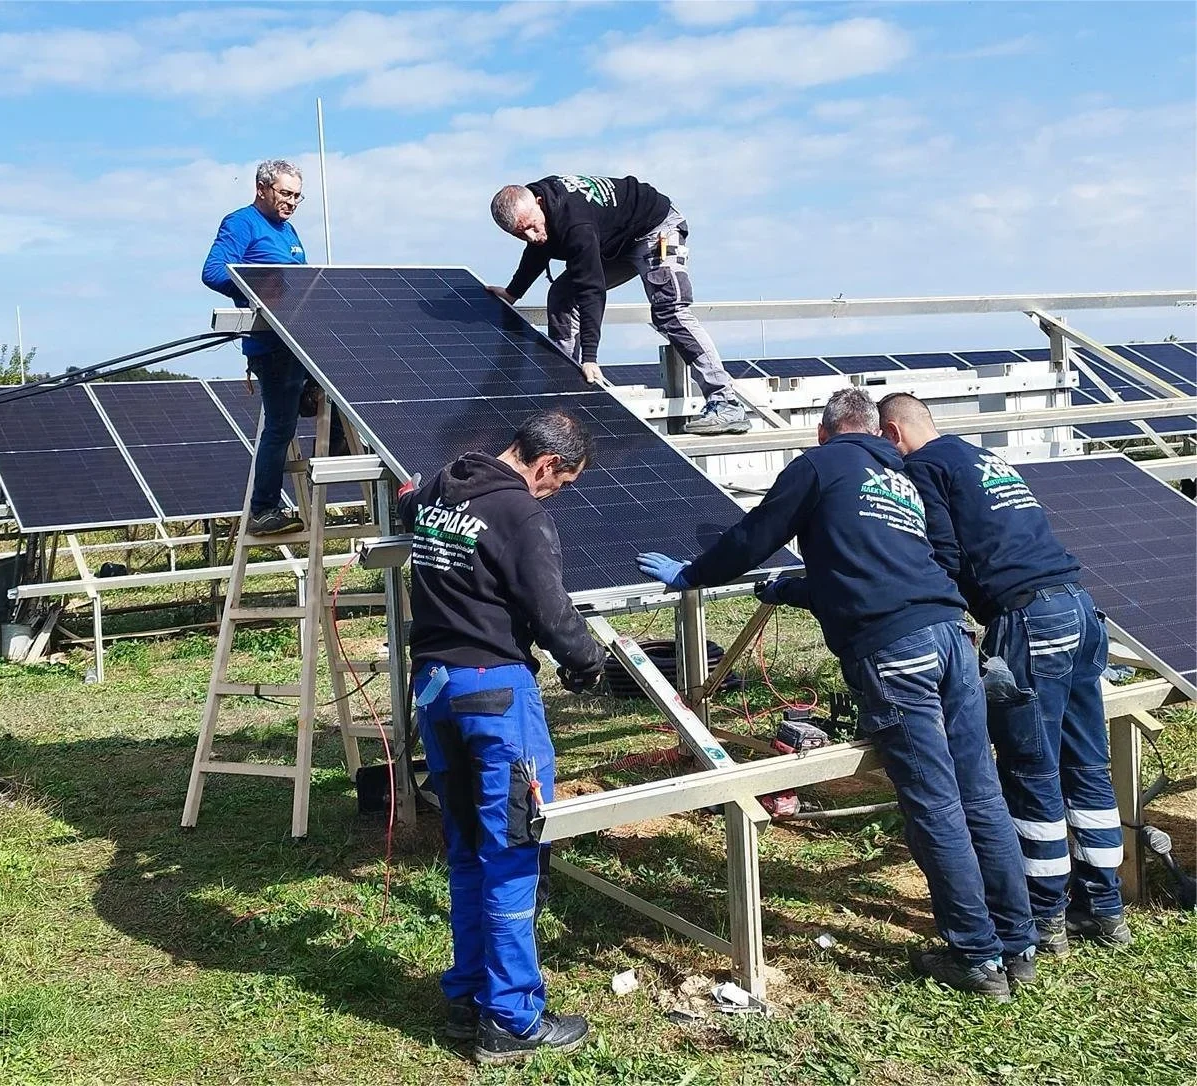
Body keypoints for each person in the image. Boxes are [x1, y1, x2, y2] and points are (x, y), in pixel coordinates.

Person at [634, 388, 1037, 1000]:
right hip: (954, 636)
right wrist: (796, 589)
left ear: (824, 433)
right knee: (980, 792)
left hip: (896, 650)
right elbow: (905, 561)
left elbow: (754, 535)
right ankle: (1019, 941)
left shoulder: (818, 466)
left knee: (935, 803)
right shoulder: (902, 473)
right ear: (877, 431)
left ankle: (978, 959)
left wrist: (694, 574)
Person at [878, 392, 1130, 955]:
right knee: (1086, 763)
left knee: (1030, 769)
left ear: (894, 433)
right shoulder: (981, 458)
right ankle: (1106, 909)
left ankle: (1047, 917)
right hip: (1081, 610)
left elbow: (941, 552)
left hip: (1029, 619)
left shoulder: (923, 468)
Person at [397, 409, 607, 1063]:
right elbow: (549, 609)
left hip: (434, 691)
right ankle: (512, 1020)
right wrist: (589, 661)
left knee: (465, 848)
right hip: (494, 695)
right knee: (514, 849)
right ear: (546, 465)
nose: (554, 495)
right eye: (561, 484)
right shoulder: (521, 514)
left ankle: (467, 996)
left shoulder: (437, 488)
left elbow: (408, 509)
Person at [486, 175, 751, 436]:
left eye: (532, 226)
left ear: (540, 203)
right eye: (521, 234)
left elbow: (592, 289)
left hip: (655, 229)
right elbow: (537, 251)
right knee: (562, 296)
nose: (532, 236)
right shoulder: (539, 213)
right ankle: (563, 396)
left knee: (669, 311)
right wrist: (513, 293)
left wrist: (590, 357)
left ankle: (725, 402)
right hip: (614, 242)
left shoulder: (575, 222)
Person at [202, 158, 344, 535]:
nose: (291, 202)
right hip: (272, 345)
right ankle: (263, 510)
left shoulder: (289, 231)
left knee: (348, 383)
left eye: (298, 196)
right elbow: (213, 271)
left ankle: (341, 447)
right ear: (261, 189)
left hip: (302, 340)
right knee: (280, 427)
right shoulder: (241, 223)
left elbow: (301, 281)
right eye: (285, 193)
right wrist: (262, 289)